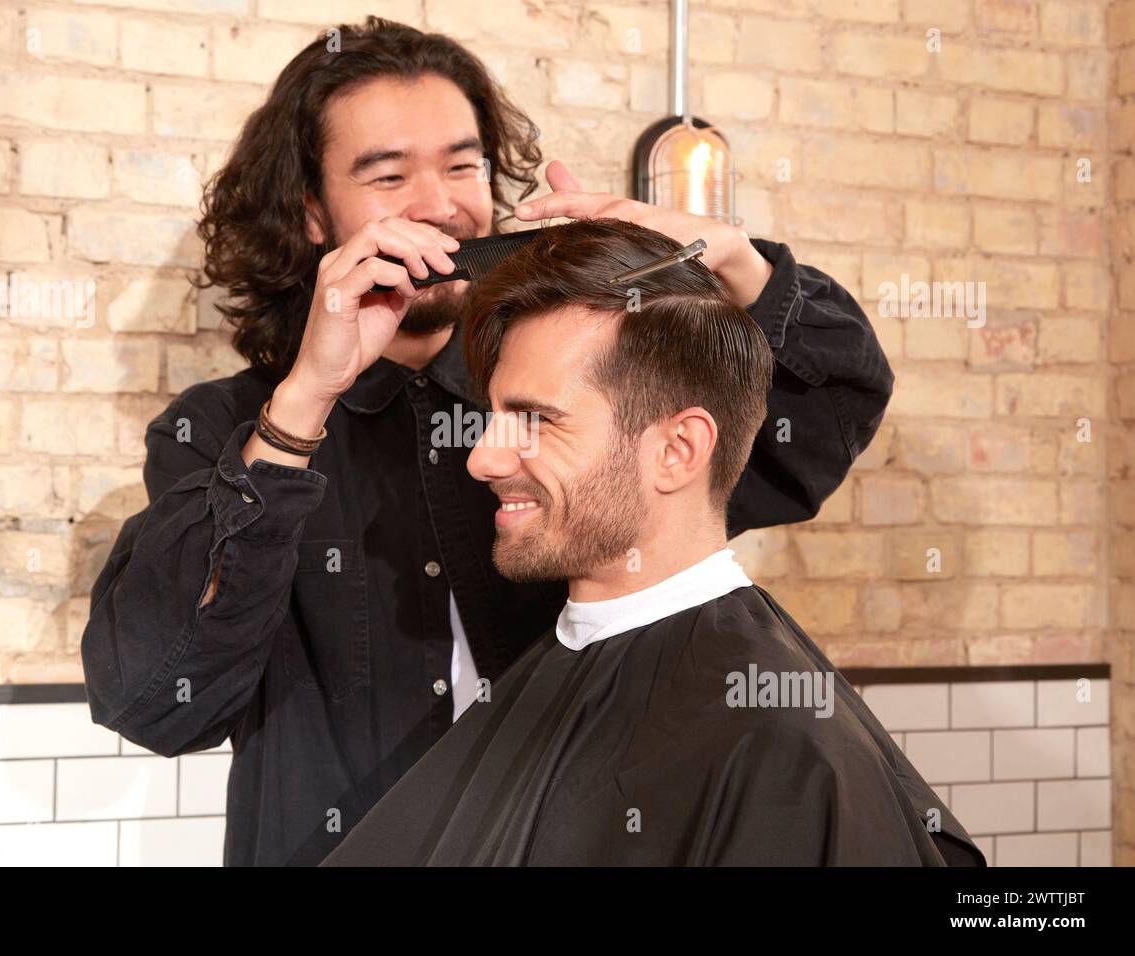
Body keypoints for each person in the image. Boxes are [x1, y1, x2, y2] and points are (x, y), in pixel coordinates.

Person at [79, 17, 896, 866]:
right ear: (313, 212)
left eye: (463, 165)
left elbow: (819, 422)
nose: (441, 205)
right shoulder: (230, 432)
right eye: (389, 174)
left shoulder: (586, 398)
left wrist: (734, 262)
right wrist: (304, 403)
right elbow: (155, 699)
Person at [321, 219, 984, 867]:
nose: (483, 460)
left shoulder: (783, 751)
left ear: (677, 450)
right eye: (493, 419)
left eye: (535, 422)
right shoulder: (559, 662)